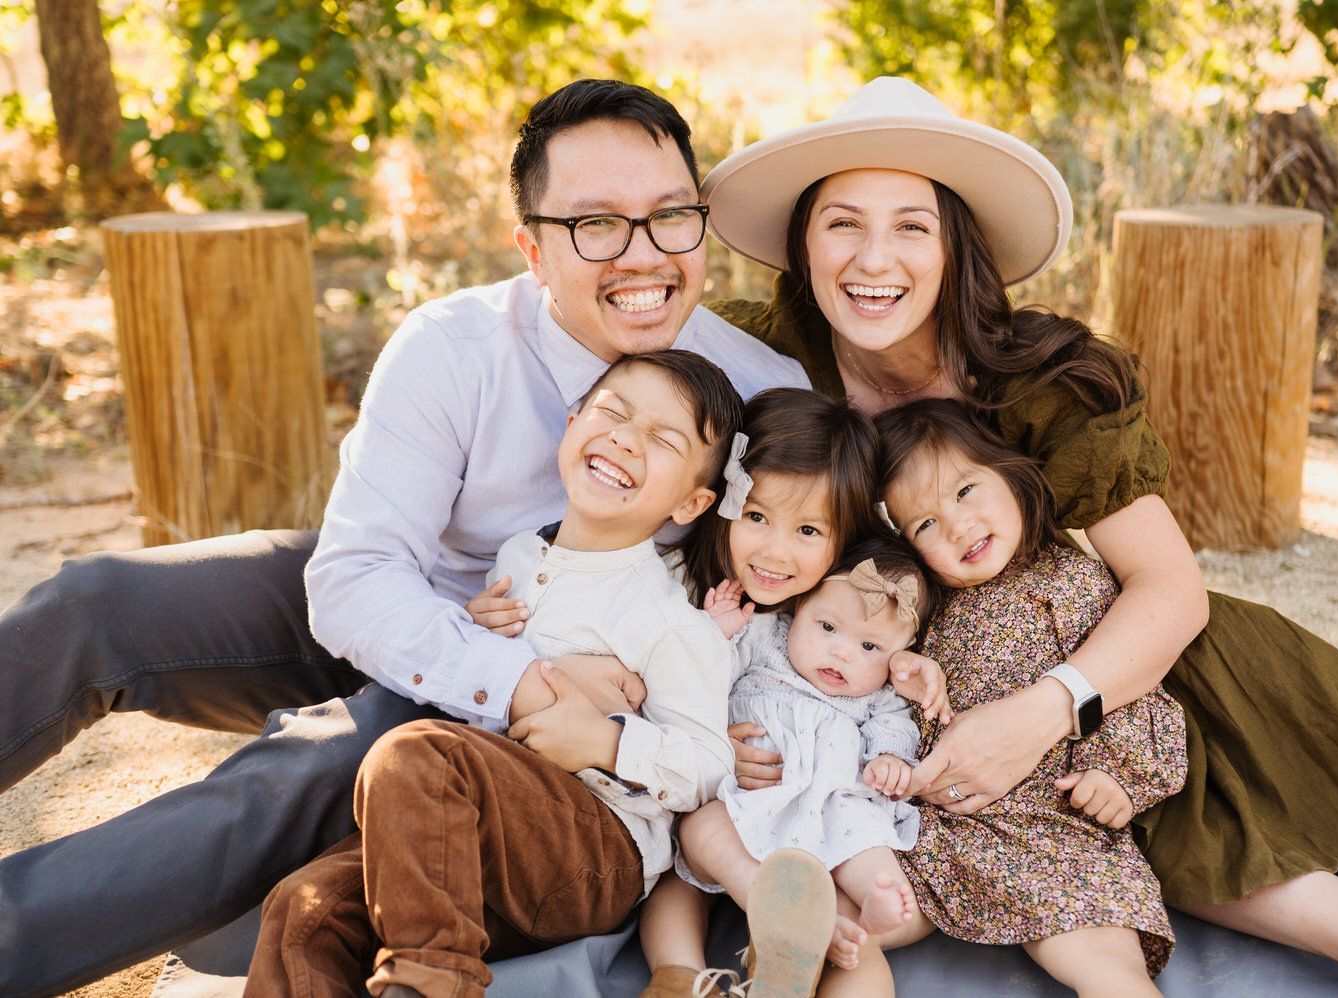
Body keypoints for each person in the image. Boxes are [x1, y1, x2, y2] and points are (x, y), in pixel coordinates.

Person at [0, 79, 806, 996]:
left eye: (670, 217)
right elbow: (355, 577)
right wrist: (522, 677)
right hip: (432, 610)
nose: (644, 255)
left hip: (564, 690)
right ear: (532, 248)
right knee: (99, 601)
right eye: (595, 226)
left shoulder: (760, 396)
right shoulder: (456, 345)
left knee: (313, 762)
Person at [700, 76, 1338, 996]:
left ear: (957, 245)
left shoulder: (1030, 373)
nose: (873, 257)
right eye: (842, 222)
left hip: (1081, 659)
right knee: (1086, 798)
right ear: (803, 243)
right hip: (909, 698)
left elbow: (1168, 587)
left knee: (1220, 696)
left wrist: (1042, 712)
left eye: (912, 225)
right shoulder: (758, 357)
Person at [246, 349, 743, 996]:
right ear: (571, 426)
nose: (625, 437)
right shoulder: (518, 554)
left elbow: (710, 765)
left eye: (662, 438)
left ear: (691, 502)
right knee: (306, 907)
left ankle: (432, 983)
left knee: (413, 756)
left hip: (595, 850)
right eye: (613, 413)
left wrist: (609, 741)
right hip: (473, 831)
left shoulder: (667, 619)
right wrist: (478, 625)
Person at [874, 398, 1188, 997]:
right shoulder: (925, 606)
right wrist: (903, 670)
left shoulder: (1066, 581)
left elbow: (1136, 692)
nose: (957, 526)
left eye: (966, 492)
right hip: (943, 830)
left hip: (1056, 834)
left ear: (1012, 476)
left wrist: (1117, 775)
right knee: (874, 904)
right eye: (925, 525)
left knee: (1102, 959)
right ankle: (813, 938)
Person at [677, 539, 938, 977]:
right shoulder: (762, 637)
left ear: (900, 656)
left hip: (832, 806)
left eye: (870, 648)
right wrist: (715, 630)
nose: (842, 652)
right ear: (800, 605)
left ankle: (873, 901)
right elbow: (698, 676)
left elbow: (894, 728)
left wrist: (890, 759)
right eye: (828, 627)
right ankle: (769, 904)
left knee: (864, 841)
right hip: (749, 802)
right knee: (700, 828)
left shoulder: (882, 694)